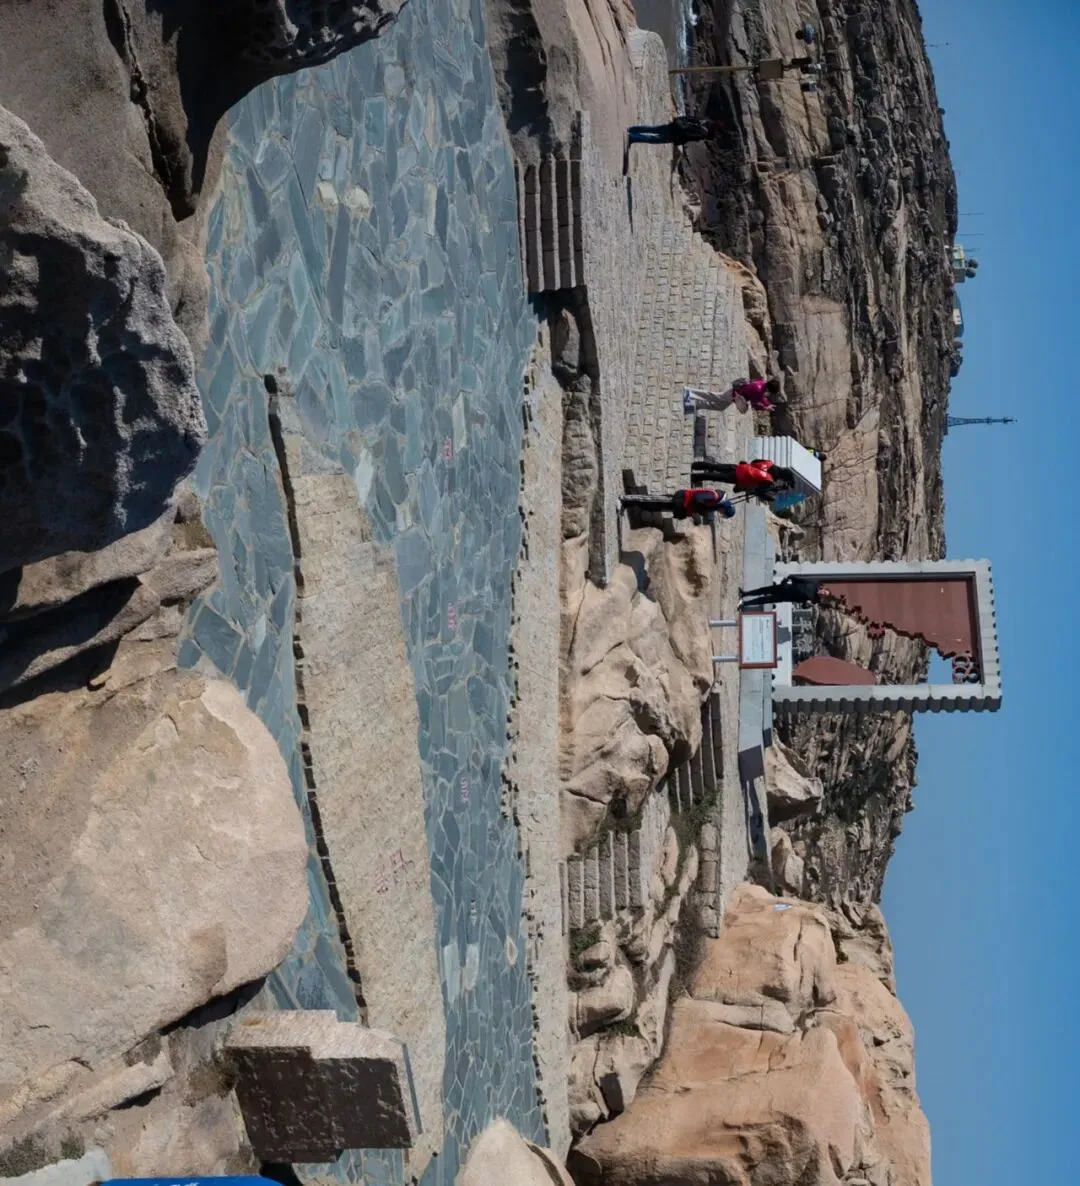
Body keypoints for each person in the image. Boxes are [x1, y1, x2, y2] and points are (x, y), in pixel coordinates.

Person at [690, 457, 796, 497]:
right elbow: (759, 491)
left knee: (716, 467)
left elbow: (755, 461)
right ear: (782, 478)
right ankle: (695, 477)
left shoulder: (769, 463)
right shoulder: (769, 480)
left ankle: (697, 465)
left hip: (740, 467)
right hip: (740, 477)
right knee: (717, 477)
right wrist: (769, 497)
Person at [620, 487, 737, 520]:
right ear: (724, 508)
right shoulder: (714, 497)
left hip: (681, 507)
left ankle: (627, 505)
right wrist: (700, 510)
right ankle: (624, 499)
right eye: (723, 512)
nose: (720, 513)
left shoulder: (715, 505)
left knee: (652, 507)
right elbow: (697, 498)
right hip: (680, 500)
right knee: (651, 500)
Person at [683, 377, 782, 415]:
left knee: (720, 407)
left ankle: (694, 405)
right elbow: (755, 404)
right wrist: (765, 408)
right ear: (770, 390)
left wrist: (767, 404)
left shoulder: (761, 382)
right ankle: (689, 392)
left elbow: (761, 399)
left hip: (735, 393)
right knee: (713, 396)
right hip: (733, 395)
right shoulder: (759, 392)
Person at [627, 115, 723, 147]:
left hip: (675, 125)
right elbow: (688, 136)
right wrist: (678, 142)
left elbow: (689, 117)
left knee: (653, 129)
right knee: (653, 139)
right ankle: (633, 137)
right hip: (676, 134)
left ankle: (632, 129)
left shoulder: (704, 120)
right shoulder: (703, 133)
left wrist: (678, 120)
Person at [739, 575, 822, 609]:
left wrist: (807, 604)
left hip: (785, 597)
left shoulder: (813, 600)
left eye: (824, 595)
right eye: (824, 592)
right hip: (785, 587)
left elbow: (803, 606)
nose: (822, 593)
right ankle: (745, 593)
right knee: (763, 590)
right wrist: (788, 578)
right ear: (823, 589)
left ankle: (745, 604)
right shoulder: (812, 584)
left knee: (765, 599)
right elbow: (799, 580)